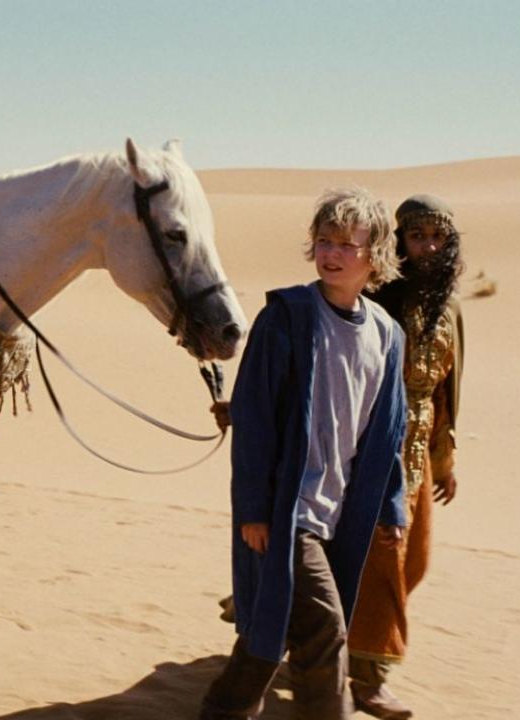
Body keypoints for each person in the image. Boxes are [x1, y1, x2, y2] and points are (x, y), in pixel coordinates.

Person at [199, 187, 409, 720]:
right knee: (324, 632)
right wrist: (252, 508)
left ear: (374, 255)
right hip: (288, 509)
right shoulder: (288, 317)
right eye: (323, 241)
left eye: (346, 244)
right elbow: (253, 416)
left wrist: (390, 507)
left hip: (344, 511)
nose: (331, 254)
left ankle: (224, 711)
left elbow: (388, 430)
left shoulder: (387, 334)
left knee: (271, 629)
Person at [346, 195, 465, 719]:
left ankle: (329, 638)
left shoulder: (450, 304)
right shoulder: (380, 297)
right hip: (375, 445)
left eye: (438, 237)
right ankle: (368, 679)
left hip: (421, 447)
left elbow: (447, 390)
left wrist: (446, 460)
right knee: (383, 562)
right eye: (418, 237)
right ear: (401, 241)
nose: (429, 247)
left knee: (414, 562)